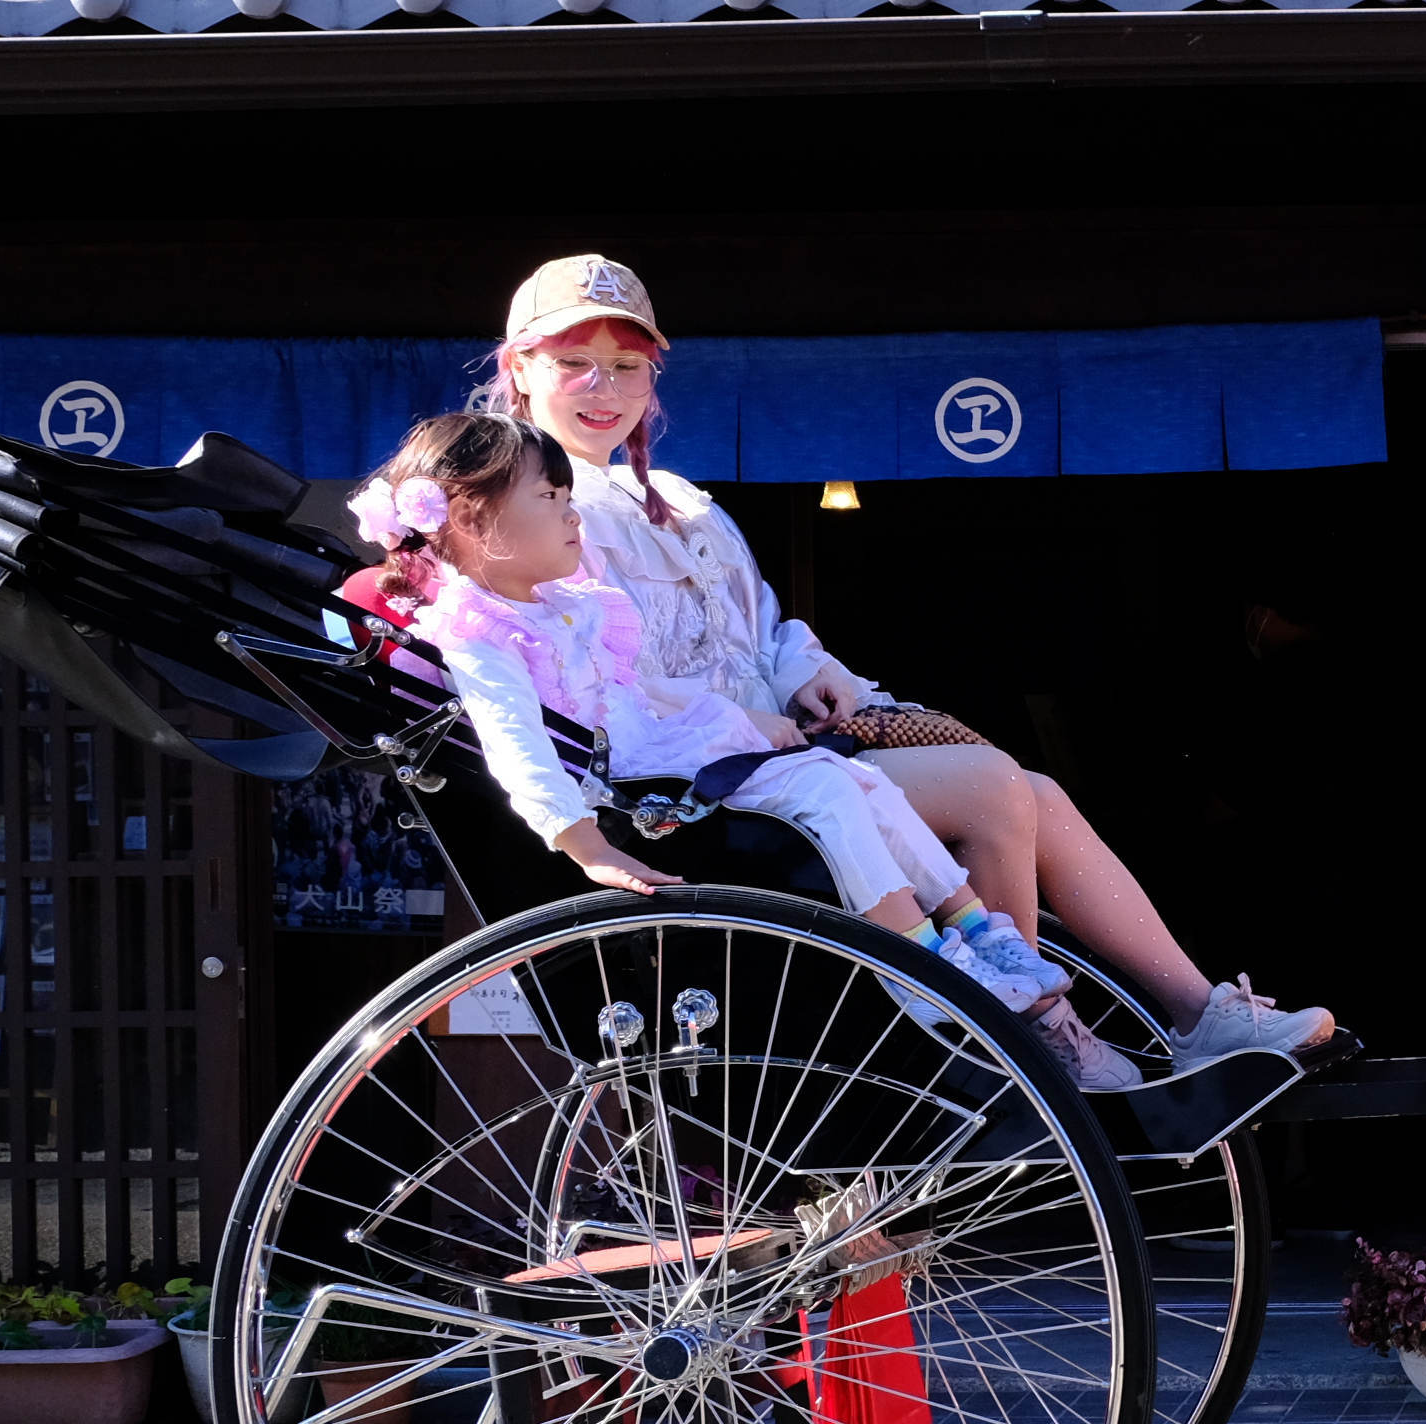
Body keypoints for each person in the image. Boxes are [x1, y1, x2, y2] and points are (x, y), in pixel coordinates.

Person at [475, 253, 1332, 1087]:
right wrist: (748, 722)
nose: (606, 389)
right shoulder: (537, 516)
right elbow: (602, 683)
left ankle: (1192, 1012)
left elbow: (762, 631)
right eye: (575, 364)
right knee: (994, 784)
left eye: (626, 366)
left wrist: (812, 669)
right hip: (693, 787)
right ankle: (1032, 1039)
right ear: (520, 369)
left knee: (1032, 789)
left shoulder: (684, 501)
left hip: (770, 755)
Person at [354, 412, 1083, 1031]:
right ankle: (921, 965)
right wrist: (581, 844)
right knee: (830, 794)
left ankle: (977, 929)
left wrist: (736, 717)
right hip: (646, 789)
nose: (571, 513)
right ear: (474, 521)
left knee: (845, 777)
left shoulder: (559, 605)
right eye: (549, 497)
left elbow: (637, 692)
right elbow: (517, 748)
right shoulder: (479, 634)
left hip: (669, 750)